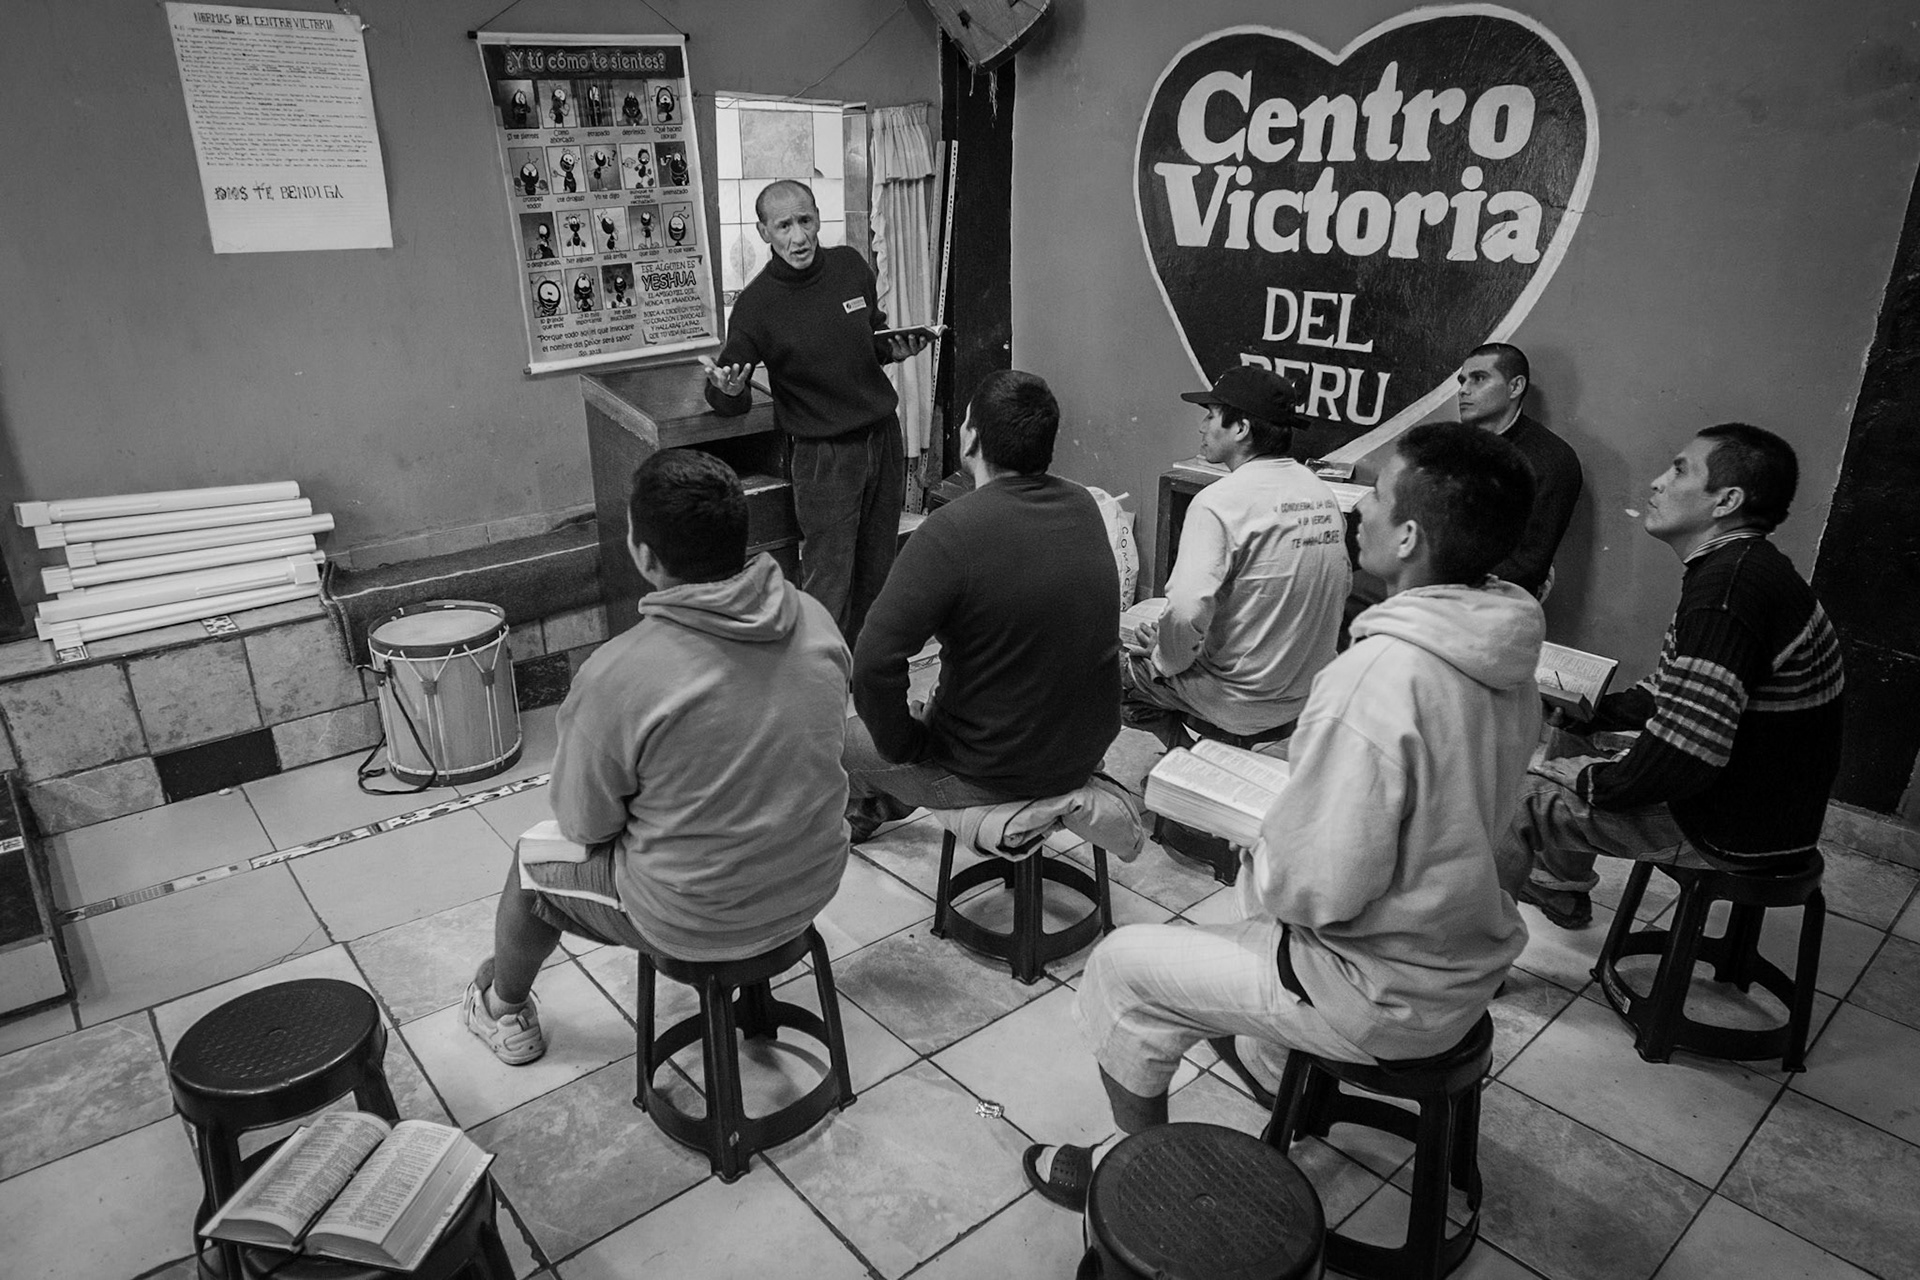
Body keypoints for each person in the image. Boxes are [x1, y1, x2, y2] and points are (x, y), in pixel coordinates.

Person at [1023, 422, 1542, 1209]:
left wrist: (1269, 839)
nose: (1355, 510)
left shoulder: (1376, 678)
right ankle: (1269, 1060)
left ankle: (1139, 1181)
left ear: (1408, 536)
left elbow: (1316, 892)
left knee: (1123, 969)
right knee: (1244, 901)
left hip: (1378, 989)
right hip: (1463, 954)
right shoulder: (1502, 650)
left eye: (1376, 494)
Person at [463, 449, 851, 1064]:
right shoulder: (814, 618)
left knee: (530, 866)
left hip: (694, 920)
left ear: (644, 555)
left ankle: (501, 1010)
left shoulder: (617, 675)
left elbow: (584, 825)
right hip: (814, 880)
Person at [1497, 423, 1845, 928]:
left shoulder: (1728, 593)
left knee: (1517, 799)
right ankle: (1559, 887)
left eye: (1679, 469)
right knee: (1572, 737)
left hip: (1735, 823)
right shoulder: (1744, 567)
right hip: (1764, 803)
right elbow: (1673, 691)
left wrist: (1592, 782)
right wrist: (1594, 716)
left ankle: (1462, 978)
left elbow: (1686, 756)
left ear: (1725, 501)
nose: (1658, 482)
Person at [844, 370, 1121, 839]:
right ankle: (880, 805)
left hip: (993, 769)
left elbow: (872, 665)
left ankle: (861, 816)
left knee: (841, 738)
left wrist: (909, 744)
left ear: (971, 437)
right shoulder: (1084, 504)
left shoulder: (951, 530)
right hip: (1086, 748)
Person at [704, 180, 928, 646]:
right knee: (829, 576)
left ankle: (866, 671)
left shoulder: (850, 266)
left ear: (818, 218)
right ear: (764, 232)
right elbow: (731, 398)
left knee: (879, 565)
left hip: (883, 437)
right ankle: (822, 675)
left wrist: (895, 349)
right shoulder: (755, 305)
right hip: (823, 456)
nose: (798, 237)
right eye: (783, 226)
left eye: (805, 221)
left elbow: (869, 341)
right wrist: (727, 389)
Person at [1123, 366, 1351, 750]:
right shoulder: (1322, 495)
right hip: (1304, 694)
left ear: (1241, 428)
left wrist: (1163, 659)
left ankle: (1191, 758)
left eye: (1210, 415)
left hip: (1238, 701)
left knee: (1101, 673)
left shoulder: (1219, 502)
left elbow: (1185, 609)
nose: (1202, 426)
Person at [1456, 342, 1583, 598]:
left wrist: (1442, 575)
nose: (1463, 390)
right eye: (1462, 381)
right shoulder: (1451, 447)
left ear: (1515, 387)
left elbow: (1528, 566)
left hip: (1496, 600)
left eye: (1478, 379)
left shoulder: (1551, 460)